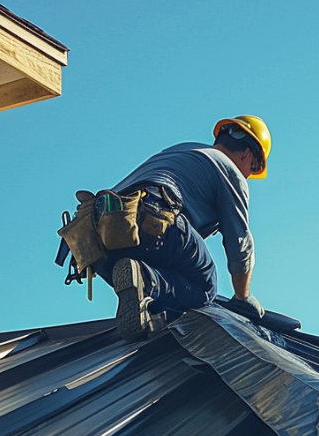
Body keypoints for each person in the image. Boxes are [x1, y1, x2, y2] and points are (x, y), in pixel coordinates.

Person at [94, 116, 271, 341]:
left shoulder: (183, 149)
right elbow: (240, 244)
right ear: (248, 154)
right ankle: (147, 281)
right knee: (204, 285)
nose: (249, 174)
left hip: (101, 235)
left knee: (143, 279)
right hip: (152, 215)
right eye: (254, 168)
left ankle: (144, 300)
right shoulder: (230, 171)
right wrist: (242, 296)